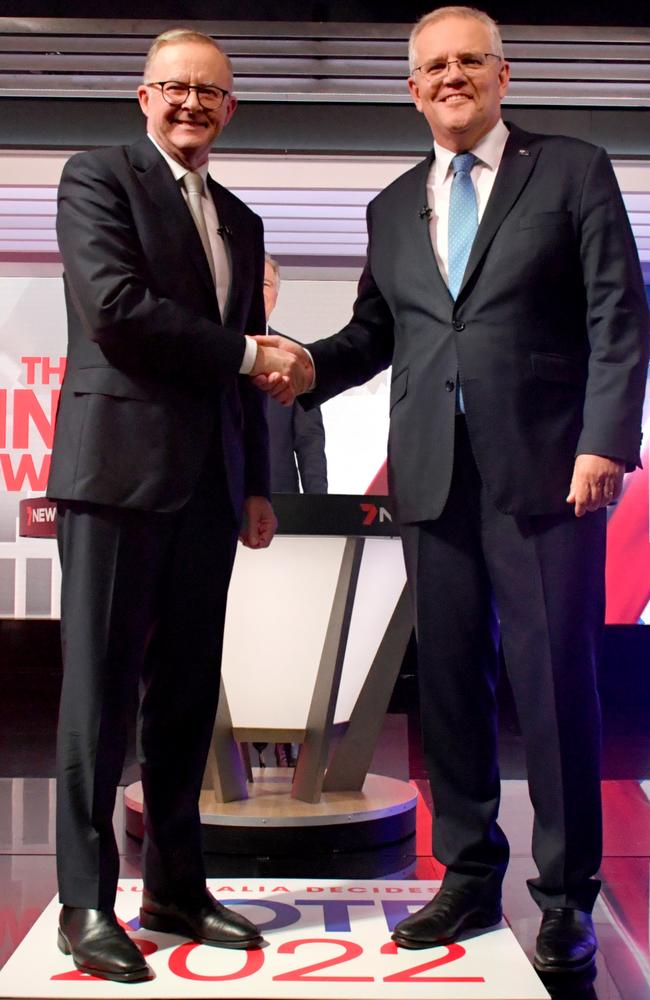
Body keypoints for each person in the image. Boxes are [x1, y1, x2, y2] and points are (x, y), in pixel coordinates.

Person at [257, 5, 649, 977]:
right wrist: (304, 365)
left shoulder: (569, 171)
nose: (449, 77)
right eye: (431, 66)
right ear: (410, 87)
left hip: (549, 478)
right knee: (448, 694)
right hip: (430, 477)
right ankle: (468, 875)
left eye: (468, 60)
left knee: (553, 690)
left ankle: (563, 898)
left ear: (502, 75)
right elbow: (374, 332)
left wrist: (604, 440)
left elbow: (617, 313)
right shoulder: (391, 206)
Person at [47, 28, 303, 983]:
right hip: (115, 476)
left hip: (208, 488)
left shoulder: (239, 217)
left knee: (189, 697)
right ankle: (82, 903)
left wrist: (255, 485)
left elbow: (247, 347)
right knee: (98, 696)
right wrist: (247, 356)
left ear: (229, 109)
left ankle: (176, 888)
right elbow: (114, 308)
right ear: (143, 95)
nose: (192, 103)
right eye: (176, 88)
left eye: (211, 92)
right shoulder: (97, 176)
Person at [263, 254, 328, 495]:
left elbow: (309, 439)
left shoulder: (295, 359)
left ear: (275, 298)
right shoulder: (211, 351)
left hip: (280, 504)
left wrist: (318, 505)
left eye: (265, 284)